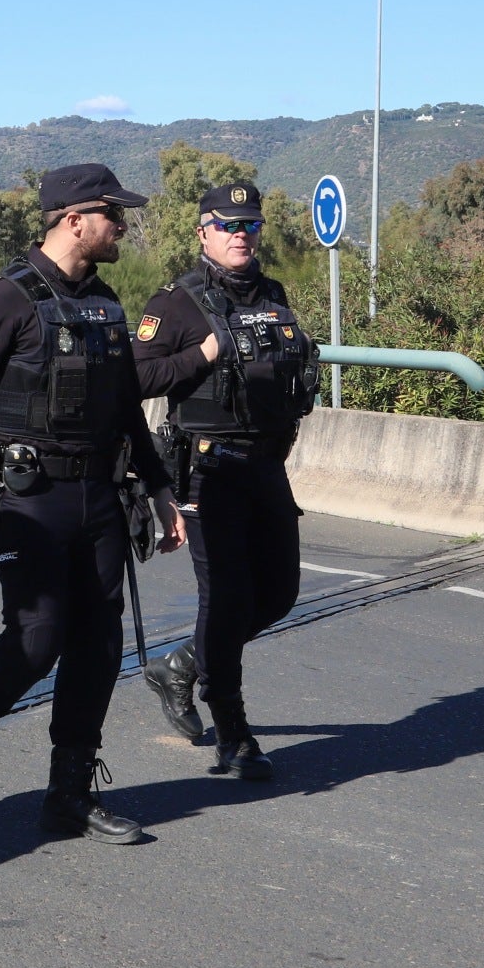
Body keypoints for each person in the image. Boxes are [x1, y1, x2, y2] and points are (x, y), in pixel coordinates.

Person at [0, 164, 187, 843]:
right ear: (73, 220)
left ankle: (68, 794)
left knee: (97, 646)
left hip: (101, 497)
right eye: (112, 215)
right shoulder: (3, 300)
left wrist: (158, 489)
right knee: (37, 638)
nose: (122, 226)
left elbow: (126, 408)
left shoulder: (108, 304)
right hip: (32, 499)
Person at [130, 182, 318, 780]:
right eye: (228, 225)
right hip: (206, 472)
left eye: (251, 225)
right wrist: (203, 355)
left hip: (267, 467)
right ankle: (234, 737)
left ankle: (183, 665)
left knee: (280, 594)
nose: (241, 234)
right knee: (227, 598)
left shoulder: (273, 293)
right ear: (203, 232)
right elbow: (135, 378)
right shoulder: (177, 301)